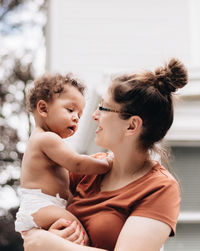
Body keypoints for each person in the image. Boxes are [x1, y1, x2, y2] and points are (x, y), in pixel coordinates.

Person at [23, 58, 188, 251]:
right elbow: (36, 216)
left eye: (103, 107)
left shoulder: (159, 188)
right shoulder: (88, 170)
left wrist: (47, 243)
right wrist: (42, 238)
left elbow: (40, 243)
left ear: (131, 125)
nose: (94, 115)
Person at [15, 73, 112, 243]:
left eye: (79, 115)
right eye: (70, 110)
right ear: (43, 109)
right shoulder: (47, 138)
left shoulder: (41, 139)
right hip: (42, 205)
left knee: (67, 240)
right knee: (80, 234)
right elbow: (77, 163)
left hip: (44, 206)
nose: (76, 117)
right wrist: (107, 164)